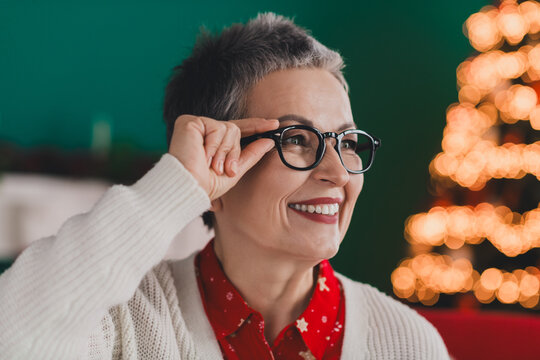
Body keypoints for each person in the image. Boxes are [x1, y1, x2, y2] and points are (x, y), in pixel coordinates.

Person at [0, 12, 450, 359]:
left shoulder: (407, 343)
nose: (336, 172)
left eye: (348, 142)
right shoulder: (123, 325)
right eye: (296, 139)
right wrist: (172, 189)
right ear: (216, 167)